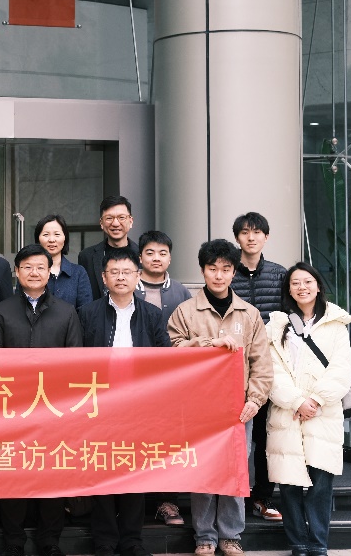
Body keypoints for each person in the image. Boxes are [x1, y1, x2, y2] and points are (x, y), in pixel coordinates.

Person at [167, 239, 273, 556]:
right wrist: (207, 343)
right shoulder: (185, 312)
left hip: (238, 408)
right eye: (212, 268)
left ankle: (231, 536)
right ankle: (204, 537)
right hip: (198, 407)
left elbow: (262, 364)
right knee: (204, 470)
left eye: (225, 269)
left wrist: (254, 400)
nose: (218, 275)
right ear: (203, 270)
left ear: (233, 272)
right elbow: (172, 352)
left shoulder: (250, 314)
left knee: (234, 471)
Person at [0, 244, 82, 556]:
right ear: (17, 272)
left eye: (41, 267)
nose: (34, 272)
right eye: (27, 267)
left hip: (53, 407)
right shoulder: (1, 311)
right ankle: (13, 541)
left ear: (50, 271)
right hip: (13, 406)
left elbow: (75, 363)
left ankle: (50, 540)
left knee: (52, 472)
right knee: (12, 472)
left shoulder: (66, 312)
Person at [78, 247, 169, 556]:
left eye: (127, 272)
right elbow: (76, 359)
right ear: (104, 278)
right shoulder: (88, 313)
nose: (120, 277)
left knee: (134, 469)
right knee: (102, 468)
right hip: (99, 402)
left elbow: (164, 359)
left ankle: (131, 539)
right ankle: (104, 539)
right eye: (114, 272)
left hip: (138, 405)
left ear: (137, 276)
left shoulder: (152, 314)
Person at [265, 263, 351, 556]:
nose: (301, 287)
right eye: (295, 283)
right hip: (287, 413)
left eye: (307, 281)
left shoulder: (336, 324)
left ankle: (317, 544)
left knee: (321, 483)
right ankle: (298, 543)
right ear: (288, 290)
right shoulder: (277, 325)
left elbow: (341, 370)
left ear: (318, 286)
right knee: (289, 483)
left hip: (322, 413)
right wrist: (296, 401)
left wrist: (314, 400)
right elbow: (271, 370)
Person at [230, 212, 287, 522]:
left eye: (257, 232)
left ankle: (263, 497)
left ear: (266, 237)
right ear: (237, 237)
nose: (251, 237)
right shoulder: (228, 273)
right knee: (237, 436)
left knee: (266, 435)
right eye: (244, 232)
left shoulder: (279, 275)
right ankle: (235, 495)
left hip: (270, 369)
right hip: (235, 369)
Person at [133, 230, 191, 527]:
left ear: (170, 257)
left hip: (170, 380)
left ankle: (167, 502)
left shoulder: (181, 292)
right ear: (140, 256)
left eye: (162, 253)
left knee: (168, 441)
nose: (156, 258)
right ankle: (132, 500)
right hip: (132, 380)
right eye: (150, 252)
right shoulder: (126, 285)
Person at [78, 196, 138, 301]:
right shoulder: (86, 256)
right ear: (101, 223)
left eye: (121, 217)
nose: (115, 223)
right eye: (109, 218)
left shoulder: (142, 255)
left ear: (131, 221)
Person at [36, 213, 93, 309]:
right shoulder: (29, 271)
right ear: (38, 238)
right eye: (46, 234)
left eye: (57, 234)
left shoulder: (78, 273)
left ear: (65, 238)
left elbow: (85, 311)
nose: (52, 240)